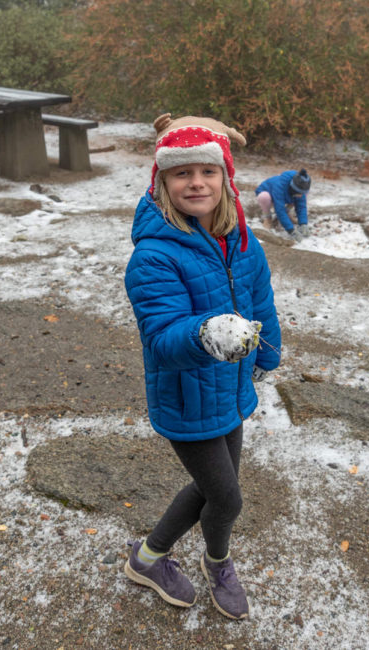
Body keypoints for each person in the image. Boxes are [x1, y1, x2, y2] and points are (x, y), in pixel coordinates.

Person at [124, 113, 281, 620]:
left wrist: (268, 350)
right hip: (187, 397)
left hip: (231, 389)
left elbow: (261, 299)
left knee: (214, 487)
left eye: (207, 171)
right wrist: (205, 335)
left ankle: (147, 559)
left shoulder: (241, 240)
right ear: (163, 182)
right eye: (181, 173)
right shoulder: (154, 256)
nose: (197, 182)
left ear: (225, 177)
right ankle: (219, 562)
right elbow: (163, 337)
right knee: (227, 498)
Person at [255, 169, 312, 242]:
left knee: (300, 197)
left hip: (287, 195)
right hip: (268, 195)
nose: (301, 195)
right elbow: (280, 210)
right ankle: (268, 218)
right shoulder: (279, 186)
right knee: (264, 197)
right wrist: (291, 230)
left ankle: (287, 214)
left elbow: (301, 206)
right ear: (293, 188)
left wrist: (303, 223)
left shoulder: (300, 186)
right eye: (299, 192)